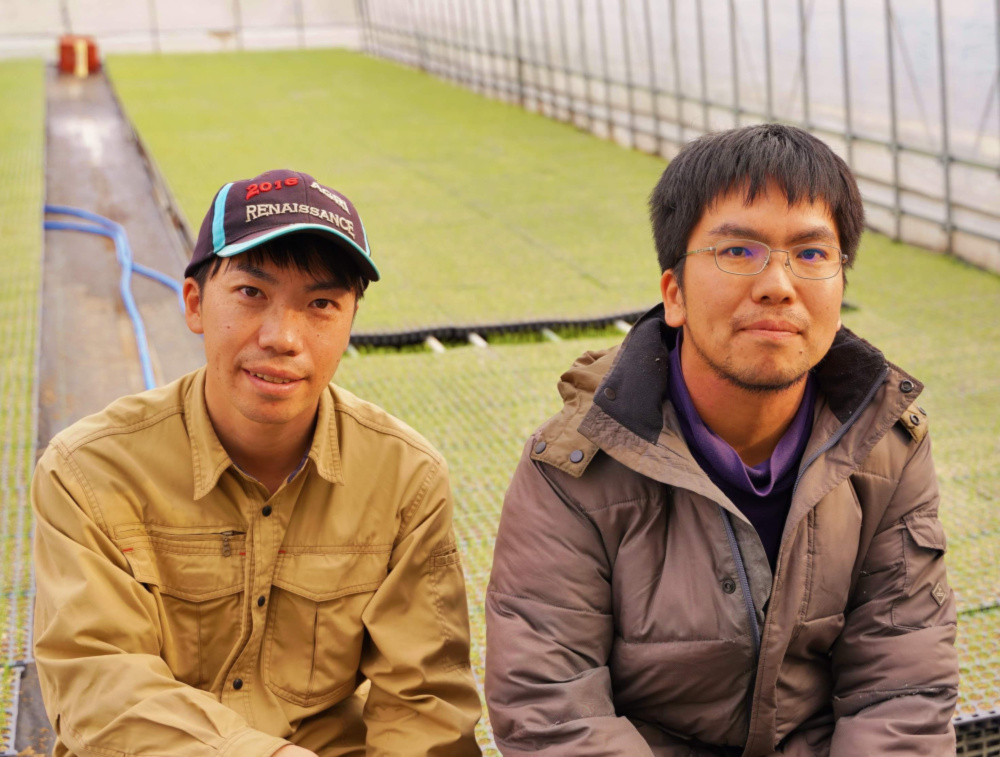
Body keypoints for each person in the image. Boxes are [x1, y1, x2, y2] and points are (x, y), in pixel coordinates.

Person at [485, 125, 958, 756]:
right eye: (738, 251)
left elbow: (903, 687)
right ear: (674, 293)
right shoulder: (573, 467)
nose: (778, 285)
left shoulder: (886, 446)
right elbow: (554, 712)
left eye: (813, 255)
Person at [32, 170, 482, 757]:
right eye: (251, 294)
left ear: (349, 323)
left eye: (321, 304)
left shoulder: (405, 479)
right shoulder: (88, 472)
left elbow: (424, 706)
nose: (283, 337)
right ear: (194, 302)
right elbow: (103, 691)